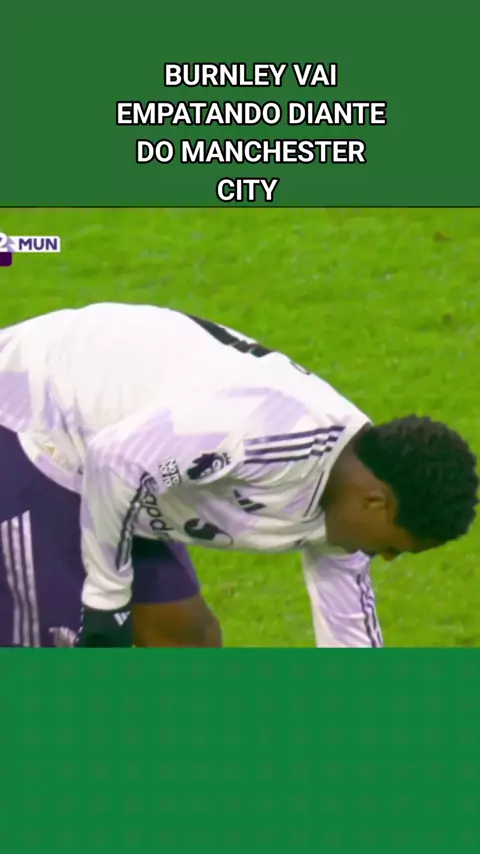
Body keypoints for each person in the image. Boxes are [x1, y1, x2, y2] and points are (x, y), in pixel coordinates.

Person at [0, 303, 477, 648]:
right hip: (39, 425)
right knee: (64, 643)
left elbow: (350, 636)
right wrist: (107, 599)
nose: (385, 558)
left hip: (133, 466)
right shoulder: (263, 433)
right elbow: (117, 460)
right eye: (393, 546)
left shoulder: (352, 494)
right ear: (375, 502)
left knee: (186, 640)